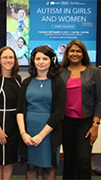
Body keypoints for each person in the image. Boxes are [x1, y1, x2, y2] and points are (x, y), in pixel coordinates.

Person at [16, 45, 66, 180]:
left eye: (45, 58)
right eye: (38, 58)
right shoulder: (26, 82)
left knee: (48, 167)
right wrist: (23, 134)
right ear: (33, 60)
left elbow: (58, 114)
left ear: (51, 61)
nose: (41, 62)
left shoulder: (58, 83)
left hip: (49, 133)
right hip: (28, 132)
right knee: (30, 166)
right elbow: (20, 110)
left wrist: (41, 136)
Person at [60, 39, 101, 179]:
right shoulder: (61, 71)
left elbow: (99, 99)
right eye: (72, 51)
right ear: (67, 53)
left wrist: (95, 125)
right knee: (69, 159)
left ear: (83, 54)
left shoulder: (93, 71)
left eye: (78, 51)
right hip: (65, 122)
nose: (75, 53)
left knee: (83, 159)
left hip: (86, 122)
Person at [0, 46, 21, 180]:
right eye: (5, 57)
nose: (8, 60)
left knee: (9, 160)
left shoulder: (19, 80)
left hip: (14, 127)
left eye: (11, 57)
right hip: (0, 126)